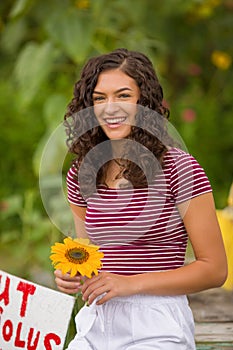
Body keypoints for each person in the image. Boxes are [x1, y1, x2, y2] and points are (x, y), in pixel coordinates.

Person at [54, 48, 227, 350]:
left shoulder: (179, 168)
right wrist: (73, 274)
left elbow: (214, 269)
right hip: (97, 320)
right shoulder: (82, 174)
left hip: (156, 322)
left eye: (123, 96)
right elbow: (90, 257)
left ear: (144, 103)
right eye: (99, 98)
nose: (110, 108)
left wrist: (129, 284)